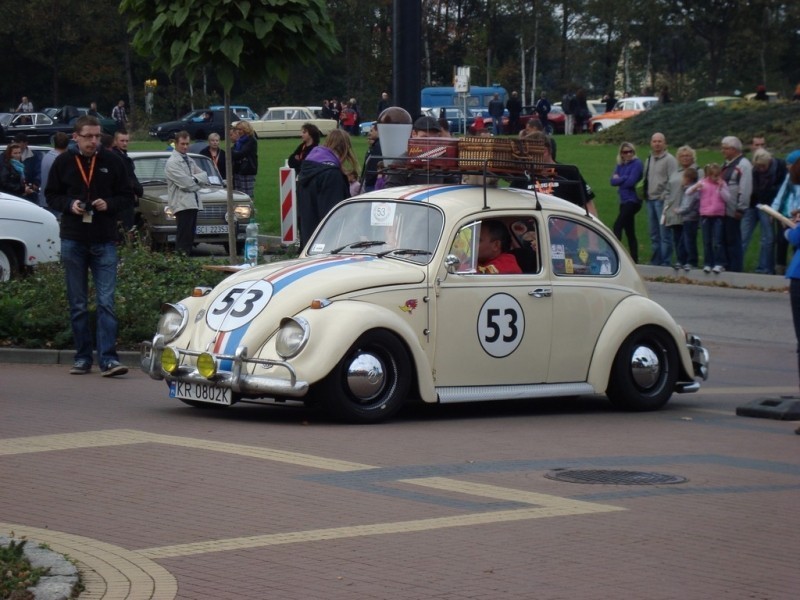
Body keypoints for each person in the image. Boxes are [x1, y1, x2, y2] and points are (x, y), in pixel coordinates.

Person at [45, 115, 134, 377]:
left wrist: (110, 204)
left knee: (106, 301)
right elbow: (51, 194)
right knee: (78, 303)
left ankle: (108, 358)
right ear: (76, 137)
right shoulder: (63, 162)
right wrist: (69, 205)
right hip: (73, 238)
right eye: (88, 136)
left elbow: (127, 195)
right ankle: (83, 357)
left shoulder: (112, 161)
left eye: (97, 136)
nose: (94, 141)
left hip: (104, 239)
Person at [297, 129, 358, 249]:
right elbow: (333, 214)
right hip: (328, 243)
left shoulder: (307, 170)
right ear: (344, 149)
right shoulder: (331, 175)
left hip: (309, 238)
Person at [165, 131, 209, 255]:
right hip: (182, 204)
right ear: (176, 143)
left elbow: (205, 176)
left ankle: (185, 262)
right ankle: (180, 263)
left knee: (190, 237)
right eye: (182, 144)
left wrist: (194, 179)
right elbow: (186, 184)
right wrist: (196, 180)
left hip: (193, 203)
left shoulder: (189, 159)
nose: (185, 147)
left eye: (187, 144)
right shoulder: (172, 162)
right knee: (183, 238)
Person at [744, 148, 786, 274]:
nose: (761, 169)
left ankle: (765, 268)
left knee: (767, 238)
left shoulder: (779, 167)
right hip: (754, 204)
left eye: (763, 166)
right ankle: (735, 265)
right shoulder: (754, 170)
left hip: (769, 206)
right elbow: (754, 188)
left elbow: (781, 187)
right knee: (744, 236)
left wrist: (771, 203)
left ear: (769, 161)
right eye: (758, 166)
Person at [642, 132, 678, 265]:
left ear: (665, 143)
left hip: (662, 201)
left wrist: (665, 197)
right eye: (654, 141)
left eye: (660, 141)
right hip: (650, 200)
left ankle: (666, 261)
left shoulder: (670, 160)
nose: (657, 144)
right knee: (654, 234)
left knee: (665, 234)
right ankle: (655, 260)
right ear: (651, 143)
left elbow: (674, 181)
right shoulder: (649, 159)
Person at [663, 145, 702, 269]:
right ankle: (680, 260)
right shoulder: (676, 172)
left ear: (693, 157)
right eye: (682, 156)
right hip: (674, 210)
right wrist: (666, 207)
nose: (685, 158)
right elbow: (668, 190)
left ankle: (691, 261)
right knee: (677, 237)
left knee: (688, 238)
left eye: (688, 156)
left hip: (690, 212)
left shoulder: (698, 171)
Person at [688, 163, 730, 274]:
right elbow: (688, 192)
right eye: (714, 176)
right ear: (709, 175)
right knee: (707, 241)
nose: (716, 178)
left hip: (718, 215)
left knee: (718, 241)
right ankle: (708, 263)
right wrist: (695, 188)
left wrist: (721, 188)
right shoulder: (703, 183)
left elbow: (727, 198)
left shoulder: (722, 184)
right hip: (705, 215)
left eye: (718, 175)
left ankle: (719, 263)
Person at [720, 136, 752, 272]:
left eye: (725, 148)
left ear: (733, 149)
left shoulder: (743, 164)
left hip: (733, 209)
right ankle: (726, 265)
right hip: (724, 208)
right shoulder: (727, 163)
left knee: (733, 239)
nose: (723, 151)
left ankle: (735, 268)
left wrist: (741, 208)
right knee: (724, 238)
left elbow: (745, 188)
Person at [610, 142, 644, 263]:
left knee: (617, 225)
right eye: (625, 152)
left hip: (633, 201)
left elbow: (631, 181)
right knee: (629, 231)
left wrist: (620, 178)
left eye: (631, 151)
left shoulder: (637, 164)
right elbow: (611, 182)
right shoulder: (620, 165)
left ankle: (617, 257)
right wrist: (624, 178)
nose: (628, 154)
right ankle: (634, 260)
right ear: (621, 154)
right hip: (624, 201)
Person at [771, 150, 800, 274]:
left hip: (797, 216)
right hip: (787, 214)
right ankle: (780, 267)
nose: (787, 167)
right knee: (781, 241)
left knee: (796, 242)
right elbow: (781, 194)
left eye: (790, 164)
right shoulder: (789, 177)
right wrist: (774, 210)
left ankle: (795, 267)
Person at [110, 129, 143, 233]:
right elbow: (127, 179)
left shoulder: (123, 156)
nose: (125, 143)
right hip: (123, 199)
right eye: (122, 141)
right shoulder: (117, 158)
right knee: (125, 229)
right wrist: (137, 189)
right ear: (115, 141)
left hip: (126, 199)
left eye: (126, 141)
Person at [675, 167, 701, 269]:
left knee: (689, 241)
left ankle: (692, 261)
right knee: (682, 241)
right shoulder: (688, 190)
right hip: (687, 219)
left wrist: (679, 210)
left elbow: (688, 206)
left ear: (688, 179)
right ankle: (681, 260)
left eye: (683, 177)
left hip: (691, 219)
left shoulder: (691, 191)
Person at [38, 131, 70, 214]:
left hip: (44, 200)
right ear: (67, 144)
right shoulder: (61, 160)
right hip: (56, 202)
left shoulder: (46, 156)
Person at [231, 120, 258, 198]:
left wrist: (233, 153)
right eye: (237, 129)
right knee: (238, 195)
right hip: (238, 169)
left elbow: (241, 154)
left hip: (247, 170)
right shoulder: (239, 141)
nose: (238, 131)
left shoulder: (251, 140)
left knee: (247, 195)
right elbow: (231, 151)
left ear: (246, 129)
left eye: (240, 129)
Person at [361, 123, 382, 192]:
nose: (369, 133)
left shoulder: (378, 147)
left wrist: (368, 181)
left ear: (378, 131)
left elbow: (374, 165)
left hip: (372, 184)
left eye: (371, 131)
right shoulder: (375, 145)